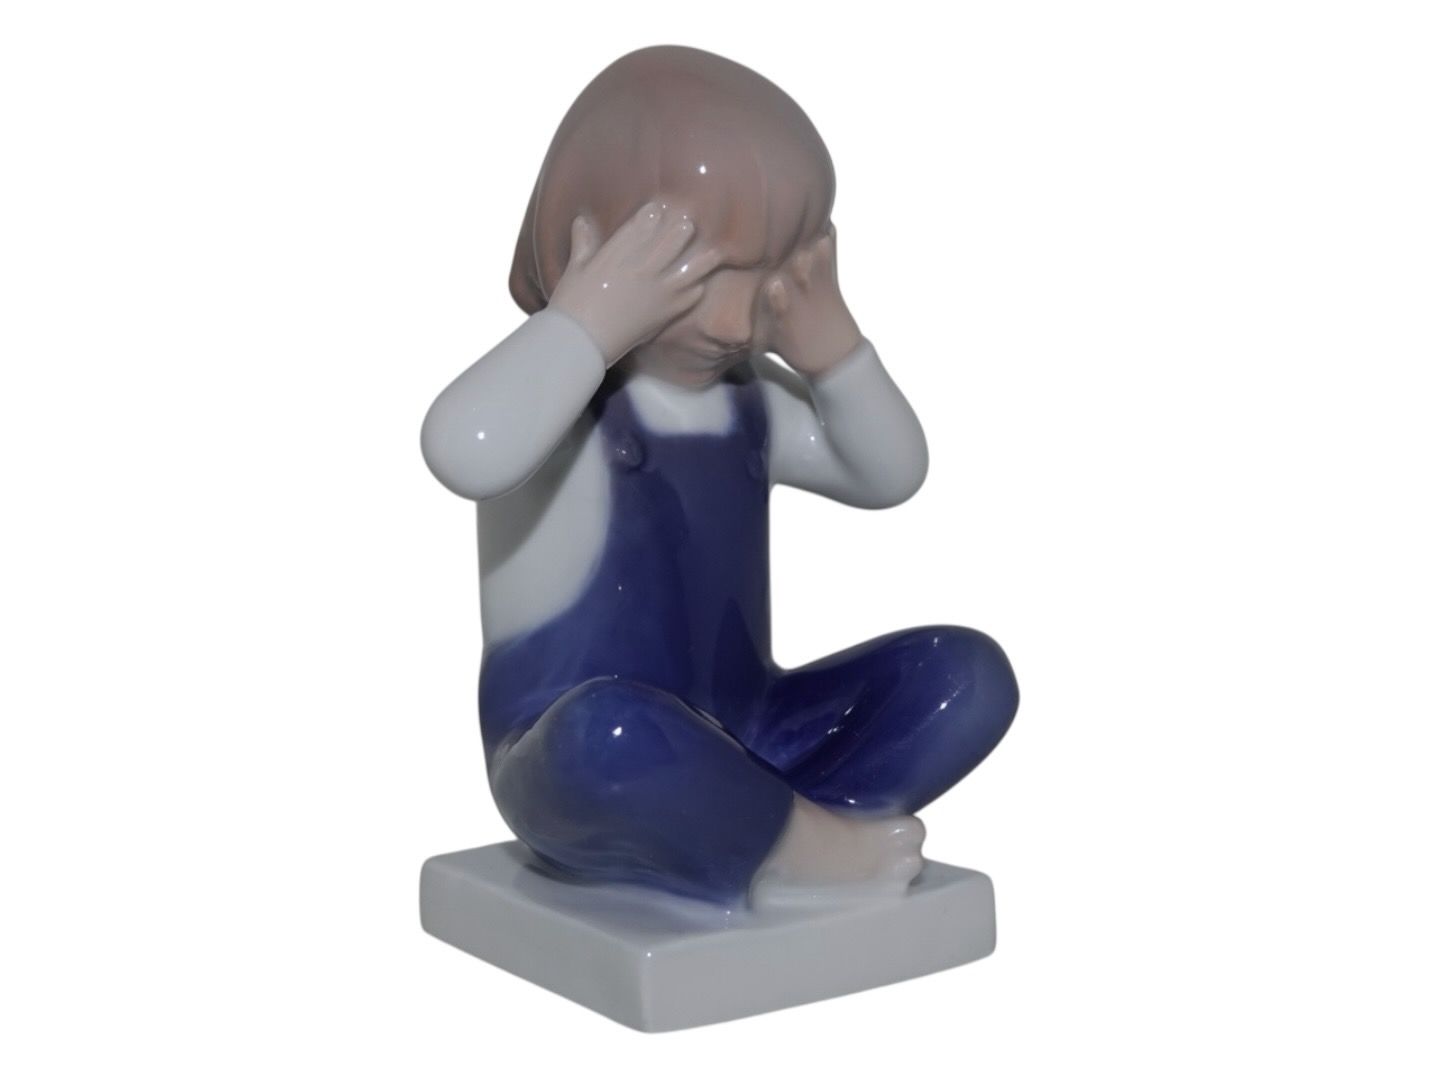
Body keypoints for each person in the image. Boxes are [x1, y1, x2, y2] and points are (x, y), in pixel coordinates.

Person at [421, 46, 1018, 907]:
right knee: (608, 736)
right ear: (598, 250)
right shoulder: (555, 410)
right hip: (572, 756)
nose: (738, 321)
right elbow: (463, 447)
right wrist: (584, 323)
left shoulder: (751, 402)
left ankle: (757, 830)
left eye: (770, 276)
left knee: (966, 676)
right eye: (703, 276)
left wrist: (834, 349)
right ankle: (793, 847)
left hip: (752, 729)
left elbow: (891, 473)